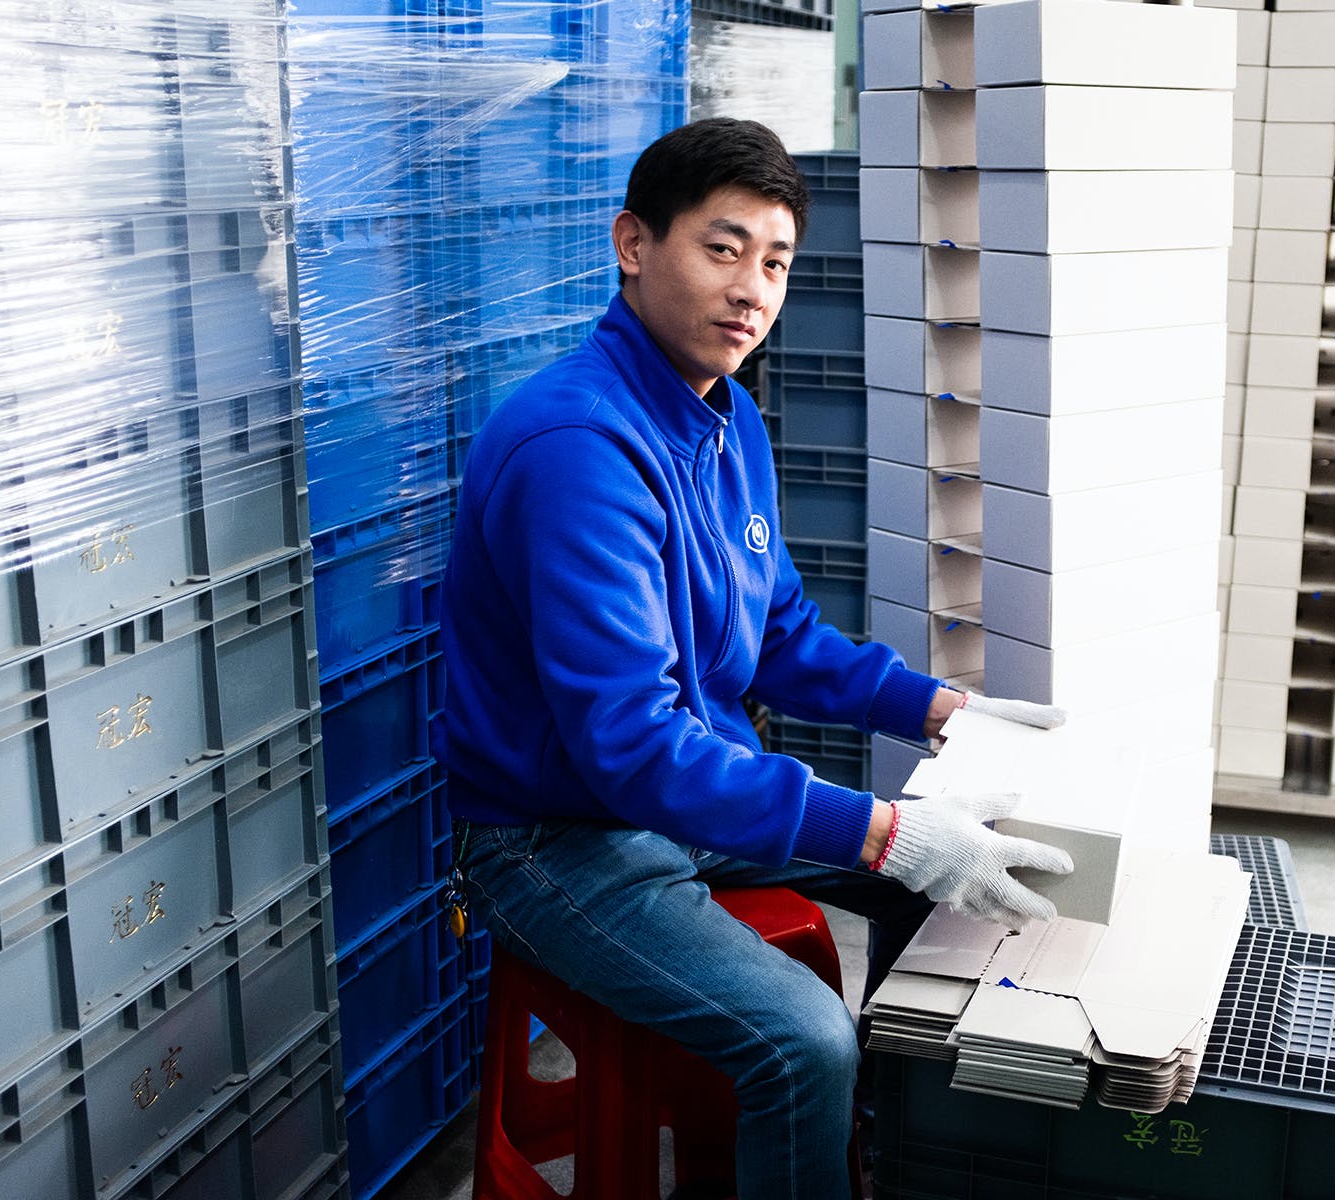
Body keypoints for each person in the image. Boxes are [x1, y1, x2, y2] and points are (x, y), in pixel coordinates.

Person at [434, 117, 1073, 1198]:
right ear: (635, 244)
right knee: (801, 1038)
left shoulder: (726, 420)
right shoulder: (579, 453)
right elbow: (633, 747)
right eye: (722, 249)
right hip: (560, 840)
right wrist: (880, 831)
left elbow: (777, 634)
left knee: (969, 875)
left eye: (775, 262)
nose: (754, 290)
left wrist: (945, 712)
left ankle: (865, 1157)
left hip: (676, 799)